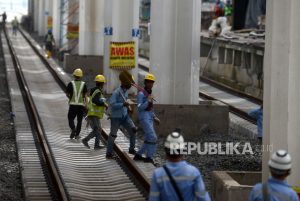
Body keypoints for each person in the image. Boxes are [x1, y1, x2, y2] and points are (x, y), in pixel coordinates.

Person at [149, 130, 211, 201]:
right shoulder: (193, 172)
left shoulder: (157, 174)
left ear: (166, 152)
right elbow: (203, 198)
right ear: (182, 152)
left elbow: (153, 199)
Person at [106, 71, 137, 159]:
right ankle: (109, 153)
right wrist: (123, 104)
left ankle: (132, 149)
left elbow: (126, 101)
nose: (130, 86)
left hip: (125, 116)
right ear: (124, 83)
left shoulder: (125, 91)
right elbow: (112, 104)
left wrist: (129, 108)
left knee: (133, 130)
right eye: (129, 84)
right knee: (113, 135)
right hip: (116, 117)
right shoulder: (116, 92)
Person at [134, 73, 160, 164]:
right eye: (148, 82)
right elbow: (139, 107)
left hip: (150, 118)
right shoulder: (141, 94)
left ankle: (138, 155)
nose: (150, 83)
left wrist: (154, 117)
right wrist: (148, 101)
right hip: (144, 118)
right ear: (145, 83)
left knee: (149, 137)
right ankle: (149, 158)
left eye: (151, 82)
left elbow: (151, 108)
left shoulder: (149, 93)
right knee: (153, 137)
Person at [82, 75, 107, 150]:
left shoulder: (95, 90)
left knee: (98, 129)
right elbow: (95, 101)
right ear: (102, 83)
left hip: (94, 113)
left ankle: (95, 144)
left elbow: (94, 100)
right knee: (98, 129)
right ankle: (87, 140)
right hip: (94, 113)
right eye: (103, 83)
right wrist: (103, 104)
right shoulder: (98, 91)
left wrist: (103, 103)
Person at [66, 68, 88, 140]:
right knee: (79, 121)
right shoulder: (83, 84)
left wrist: (70, 98)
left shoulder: (71, 83)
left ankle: (73, 128)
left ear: (74, 75)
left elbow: (67, 94)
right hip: (81, 106)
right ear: (81, 76)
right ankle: (77, 135)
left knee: (70, 118)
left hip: (73, 105)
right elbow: (85, 96)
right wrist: (86, 105)